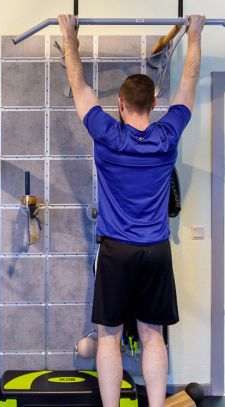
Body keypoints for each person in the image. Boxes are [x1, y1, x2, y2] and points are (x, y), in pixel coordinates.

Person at [57, 14, 205, 407]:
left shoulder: (106, 134)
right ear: (154, 104)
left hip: (117, 251)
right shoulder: (168, 135)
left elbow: (79, 85)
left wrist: (68, 35)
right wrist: (195, 35)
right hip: (156, 251)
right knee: (153, 334)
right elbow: (189, 82)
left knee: (109, 336)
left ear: (120, 104)